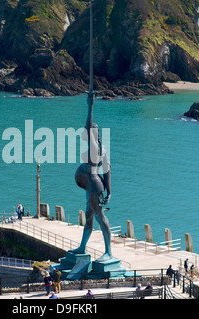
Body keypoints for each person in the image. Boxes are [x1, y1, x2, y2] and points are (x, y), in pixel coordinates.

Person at [69, 85, 112, 262]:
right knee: (89, 217)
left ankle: (108, 251)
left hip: (93, 185)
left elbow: (87, 125)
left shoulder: (94, 147)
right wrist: (109, 190)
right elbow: (108, 170)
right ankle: (82, 247)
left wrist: (90, 106)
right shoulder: (102, 148)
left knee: (100, 217)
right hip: (93, 185)